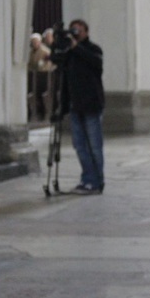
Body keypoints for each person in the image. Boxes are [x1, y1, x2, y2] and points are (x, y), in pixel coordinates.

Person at [51, 19, 105, 195]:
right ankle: (87, 179)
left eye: (79, 31)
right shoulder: (69, 53)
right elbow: (55, 59)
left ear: (86, 32)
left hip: (91, 105)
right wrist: (57, 41)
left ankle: (97, 182)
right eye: (73, 30)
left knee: (94, 147)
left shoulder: (93, 49)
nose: (76, 34)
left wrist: (75, 46)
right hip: (75, 106)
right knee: (79, 146)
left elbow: (96, 63)